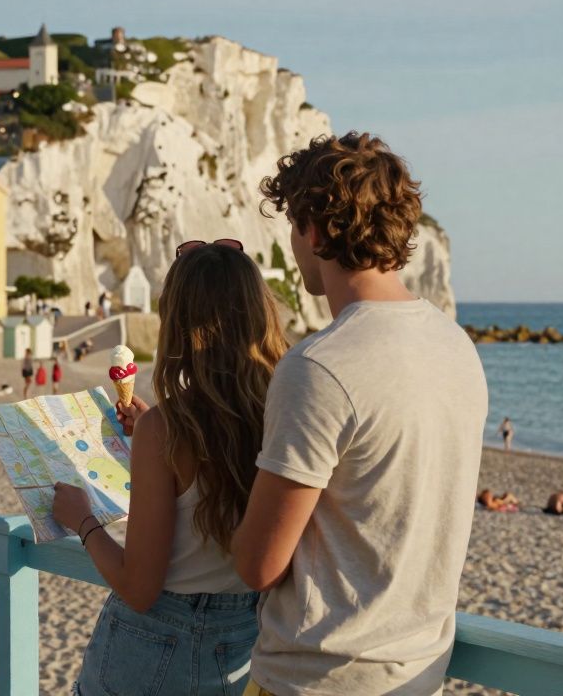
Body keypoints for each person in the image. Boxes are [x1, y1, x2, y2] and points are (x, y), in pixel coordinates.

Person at [230, 132, 487, 696]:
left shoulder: (319, 367)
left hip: (316, 678)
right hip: (417, 673)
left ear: (315, 231)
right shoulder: (457, 347)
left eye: (294, 228)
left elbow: (258, 565)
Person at [52, 240, 289, 695]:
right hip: (244, 644)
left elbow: (139, 588)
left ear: (179, 326)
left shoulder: (167, 427)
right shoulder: (285, 415)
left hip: (152, 649)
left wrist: (81, 518)